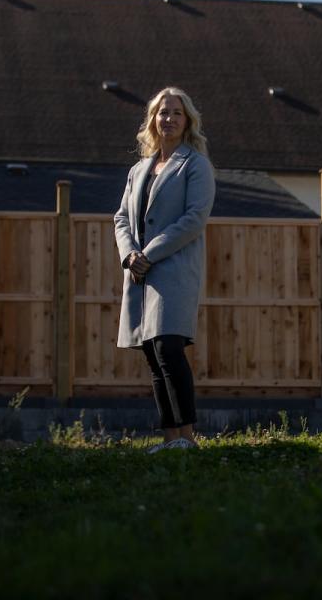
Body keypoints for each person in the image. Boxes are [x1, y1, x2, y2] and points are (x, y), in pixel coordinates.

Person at [113, 87, 215, 453]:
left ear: (187, 121)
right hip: (140, 274)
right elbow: (122, 217)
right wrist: (130, 255)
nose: (168, 119)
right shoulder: (139, 169)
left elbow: (193, 220)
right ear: (152, 120)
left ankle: (188, 438)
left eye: (176, 113)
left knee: (170, 349)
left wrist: (149, 254)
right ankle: (169, 438)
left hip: (172, 270)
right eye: (162, 113)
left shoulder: (195, 165)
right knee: (152, 354)